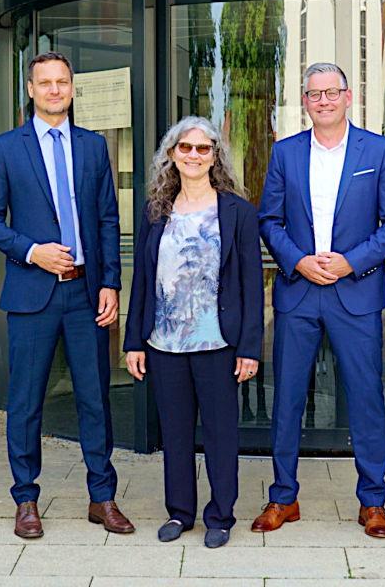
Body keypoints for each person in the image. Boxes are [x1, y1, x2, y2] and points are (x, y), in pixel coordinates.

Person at [0, 51, 133, 539]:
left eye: (62, 82)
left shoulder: (92, 147)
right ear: (30, 89)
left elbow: (108, 219)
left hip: (86, 294)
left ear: (71, 88)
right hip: (32, 295)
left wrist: (110, 282)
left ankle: (102, 497)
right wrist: (32, 252)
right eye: (44, 83)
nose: (53, 90)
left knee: (95, 399)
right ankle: (26, 499)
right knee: (26, 402)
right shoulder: (7, 148)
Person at [254, 62, 385, 538]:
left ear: (347, 97)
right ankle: (283, 497)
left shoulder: (378, 151)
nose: (322, 100)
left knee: (366, 399)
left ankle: (373, 502)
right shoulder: (285, 153)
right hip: (299, 293)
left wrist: (350, 262)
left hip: (355, 293)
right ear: (305, 101)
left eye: (331, 92)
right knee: (287, 399)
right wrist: (299, 261)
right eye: (314, 94)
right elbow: (269, 221)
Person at [123, 116, 263, 549]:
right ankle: (180, 512)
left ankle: (220, 515)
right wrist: (133, 340)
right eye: (186, 148)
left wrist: (250, 348)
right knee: (176, 433)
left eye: (204, 149)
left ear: (215, 156)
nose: (194, 156)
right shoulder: (155, 210)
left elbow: (251, 284)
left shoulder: (237, 211)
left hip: (218, 342)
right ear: (171, 154)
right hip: (164, 342)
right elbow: (142, 280)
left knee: (221, 434)